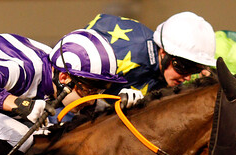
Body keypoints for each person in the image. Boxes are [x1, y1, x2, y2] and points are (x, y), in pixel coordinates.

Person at [85, 11, 216, 103]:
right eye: (182, 67)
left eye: (194, 71)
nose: (187, 77)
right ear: (163, 53)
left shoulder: (169, 73)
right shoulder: (127, 50)